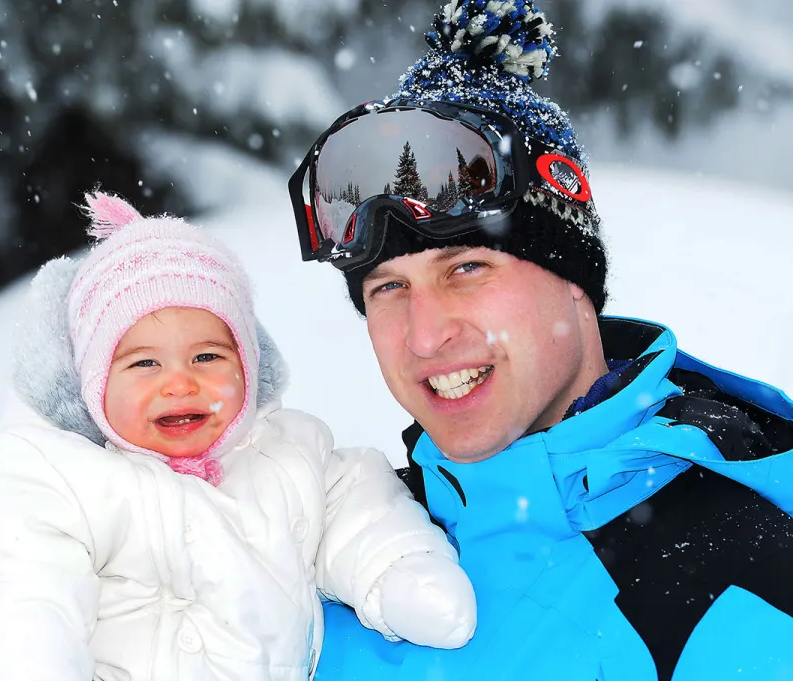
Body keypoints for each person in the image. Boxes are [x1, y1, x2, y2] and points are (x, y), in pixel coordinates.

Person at [289, 1, 793, 679]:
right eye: (388, 289)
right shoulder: (335, 551)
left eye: (467, 269)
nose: (427, 334)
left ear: (572, 282)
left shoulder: (746, 577)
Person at [0, 192, 477, 681]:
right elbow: (26, 599)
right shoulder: (65, 480)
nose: (180, 382)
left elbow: (358, 507)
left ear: (248, 367)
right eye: (144, 363)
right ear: (94, 384)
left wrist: (399, 571)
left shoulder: (288, 454)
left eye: (207, 356)